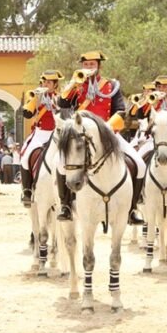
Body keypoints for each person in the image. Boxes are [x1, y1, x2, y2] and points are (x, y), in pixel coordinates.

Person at [57, 51, 145, 225]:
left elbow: (120, 111)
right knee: (61, 165)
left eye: (92, 64)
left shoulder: (112, 86)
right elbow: (62, 104)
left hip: (107, 132)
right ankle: (65, 205)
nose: (89, 67)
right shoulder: (76, 86)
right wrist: (73, 84)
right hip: (81, 134)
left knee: (139, 164)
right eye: (86, 64)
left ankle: (133, 208)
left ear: (99, 66)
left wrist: (105, 129)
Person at [19, 70, 63, 205]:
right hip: (41, 133)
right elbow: (26, 114)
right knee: (25, 155)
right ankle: (27, 190)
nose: (45, 84)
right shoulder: (36, 96)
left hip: (57, 133)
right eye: (44, 81)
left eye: (49, 82)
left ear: (55, 84)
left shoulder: (61, 97)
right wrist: (34, 100)